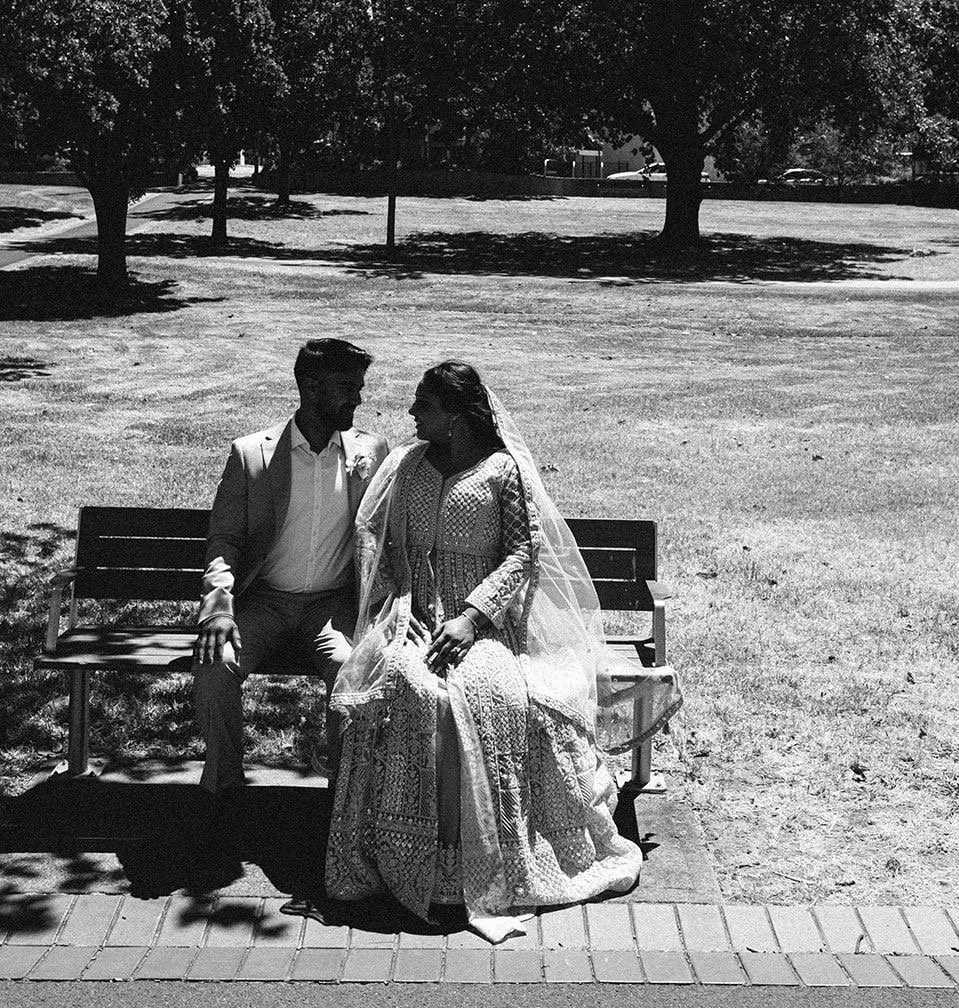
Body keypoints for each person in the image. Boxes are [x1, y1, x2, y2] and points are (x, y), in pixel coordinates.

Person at [325, 360, 674, 921]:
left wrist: (470, 617)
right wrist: (405, 607)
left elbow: (522, 554)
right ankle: (404, 856)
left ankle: (479, 861)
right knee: (407, 685)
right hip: (413, 613)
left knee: (482, 696)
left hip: (485, 623)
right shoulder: (409, 466)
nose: (412, 412)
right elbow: (385, 544)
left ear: (458, 417)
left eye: (425, 404)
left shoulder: (501, 471)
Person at [192, 338, 389, 802]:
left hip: (330, 607)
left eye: (360, 387)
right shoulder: (252, 455)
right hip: (264, 602)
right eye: (347, 387)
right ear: (309, 385)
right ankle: (224, 788)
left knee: (348, 670)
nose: (358, 399)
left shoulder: (371, 452)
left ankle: (344, 802)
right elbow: (225, 541)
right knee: (215, 666)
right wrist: (218, 609)